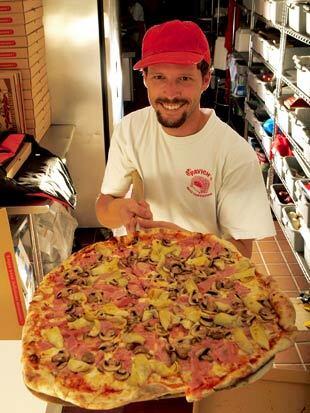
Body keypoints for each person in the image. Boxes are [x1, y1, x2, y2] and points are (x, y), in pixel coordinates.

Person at [96, 20, 275, 258]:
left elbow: (241, 255)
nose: (171, 93)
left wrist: (184, 242)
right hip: (139, 277)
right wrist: (121, 209)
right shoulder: (130, 129)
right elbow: (104, 206)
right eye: (159, 77)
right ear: (145, 79)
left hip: (204, 284)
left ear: (205, 80)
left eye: (184, 79)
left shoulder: (234, 153)